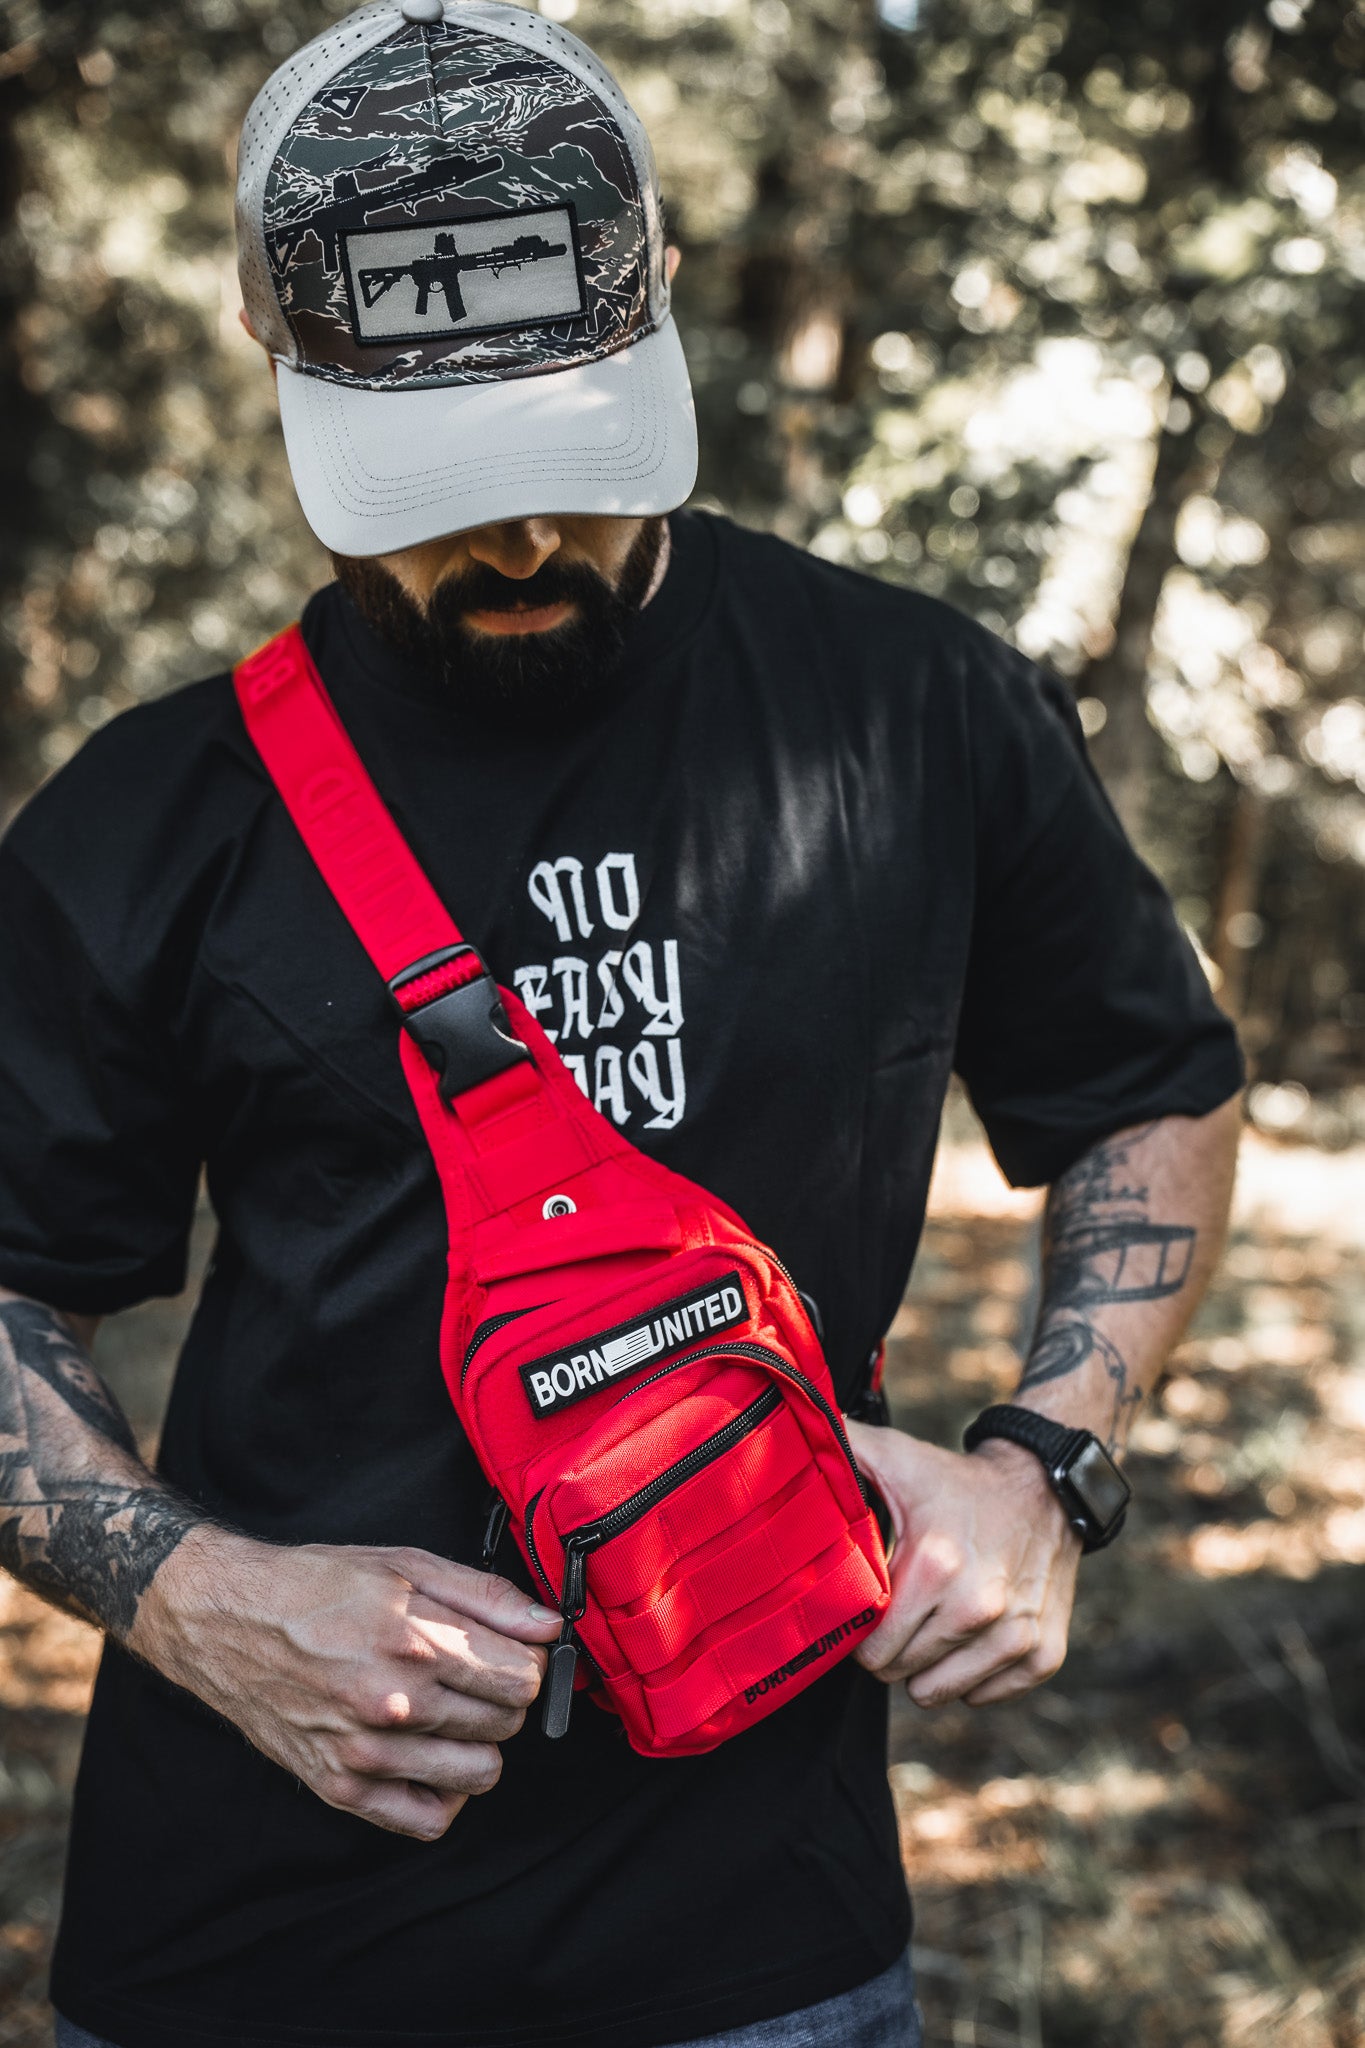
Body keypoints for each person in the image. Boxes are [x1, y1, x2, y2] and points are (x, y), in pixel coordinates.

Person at [0, 5, 1243, 2045]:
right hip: (247, 1945)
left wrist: (1049, 1462)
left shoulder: (912, 709)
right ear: (268, 340)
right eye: (437, 479)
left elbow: (1146, 1086)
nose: (515, 539)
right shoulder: (145, 824)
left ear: (655, 286)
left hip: (764, 1942)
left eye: (564, 460)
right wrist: (197, 1599)